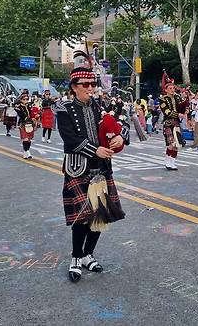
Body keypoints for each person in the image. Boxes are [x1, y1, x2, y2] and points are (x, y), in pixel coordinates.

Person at [56, 52, 125, 282]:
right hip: (79, 167)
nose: (91, 88)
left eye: (93, 83)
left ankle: (88, 254)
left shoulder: (100, 106)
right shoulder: (64, 109)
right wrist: (94, 150)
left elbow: (115, 126)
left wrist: (120, 138)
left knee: (100, 215)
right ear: (74, 87)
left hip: (102, 168)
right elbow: (69, 139)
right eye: (85, 84)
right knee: (82, 217)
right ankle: (76, 257)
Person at [159, 78, 188, 170]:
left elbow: (182, 106)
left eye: (173, 88)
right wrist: (178, 114)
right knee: (171, 143)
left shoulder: (177, 97)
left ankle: (173, 162)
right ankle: (167, 161)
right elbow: (166, 111)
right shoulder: (163, 99)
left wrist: (186, 109)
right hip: (168, 123)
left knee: (177, 144)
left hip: (177, 123)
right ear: (166, 90)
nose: (172, 90)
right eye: (170, 88)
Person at [15, 93, 37, 159]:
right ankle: (27, 152)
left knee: (29, 139)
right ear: (21, 100)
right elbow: (22, 116)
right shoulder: (18, 108)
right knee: (25, 138)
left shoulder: (29, 106)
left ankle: (25, 152)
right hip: (23, 123)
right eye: (24, 99)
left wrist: (35, 117)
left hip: (30, 124)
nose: (26, 100)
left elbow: (32, 113)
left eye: (27, 99)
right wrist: (28, 118)